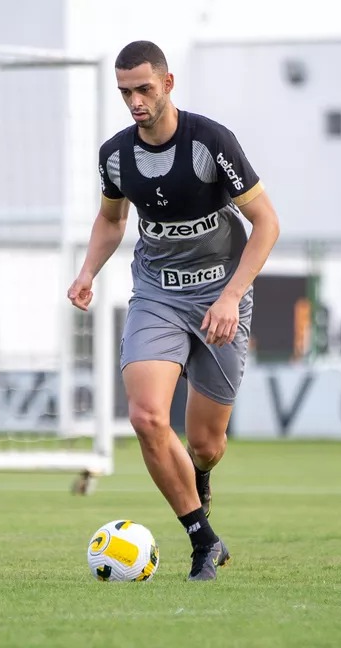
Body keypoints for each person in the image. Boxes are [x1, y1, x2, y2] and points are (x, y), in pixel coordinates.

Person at [67, 41, 280, 581]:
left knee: (206, 444)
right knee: (146, 417)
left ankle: (200, 476)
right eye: (125, 92)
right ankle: (202, 539)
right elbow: (112, 221)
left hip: (220, 299)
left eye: (143, 89)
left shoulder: (211, 142)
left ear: (168, 83)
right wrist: (88, 270)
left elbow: (267, 224)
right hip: (157, 296)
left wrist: (231, 295)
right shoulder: (115, 155)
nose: (134, 101)